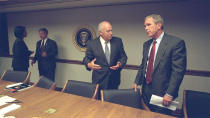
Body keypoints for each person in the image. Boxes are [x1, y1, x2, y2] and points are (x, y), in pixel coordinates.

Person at [132, 14, 187, 115]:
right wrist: (137, 82)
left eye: (148, 25)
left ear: (159, 25)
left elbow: (178, 72)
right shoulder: (146, 44)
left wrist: (170, 94)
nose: (146, 28)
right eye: (145, 26)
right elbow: (144, 65)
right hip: (146, 92)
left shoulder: (175, 43)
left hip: (163, 95)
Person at [83, 21, 127, 90]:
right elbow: (86, 58)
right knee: (97, 100)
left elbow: (123, 56)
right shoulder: (92, 44)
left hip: (114, 80)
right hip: (98, 81)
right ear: (100, 33)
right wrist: (89, 65)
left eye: (111, 30)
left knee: (112, 100)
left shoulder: (118, 41)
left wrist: (120, 63)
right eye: (108, 31)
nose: (111, 33)